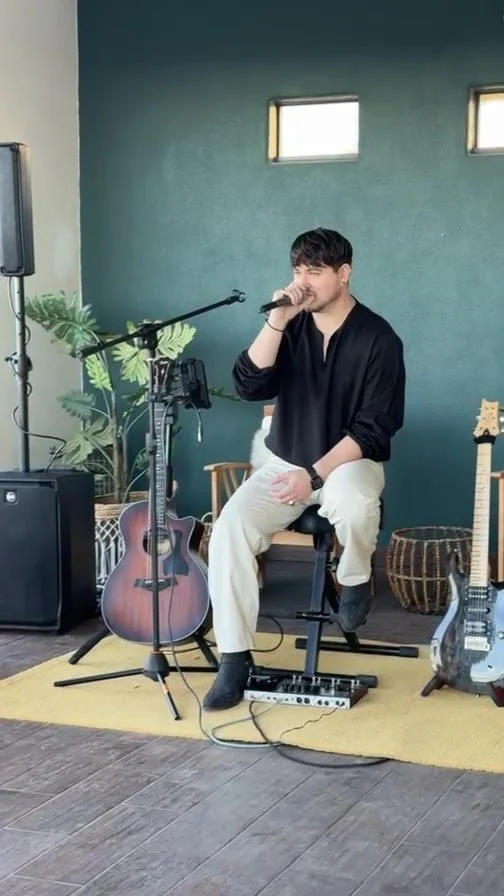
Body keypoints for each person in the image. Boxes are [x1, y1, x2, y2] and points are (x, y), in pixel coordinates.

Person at [203, 227, 405, 711]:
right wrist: (276, 320)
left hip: (347, 463)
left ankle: (354, 578)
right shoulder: (289, 327)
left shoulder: (379, 338)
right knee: (229, 528)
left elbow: (374, 428)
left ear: (344, 273)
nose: (303, 282)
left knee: (354, 500)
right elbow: (249, 385)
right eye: (298, 271)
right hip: (284, 460)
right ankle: (234, 658)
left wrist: (313, 476)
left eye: (314, 271)